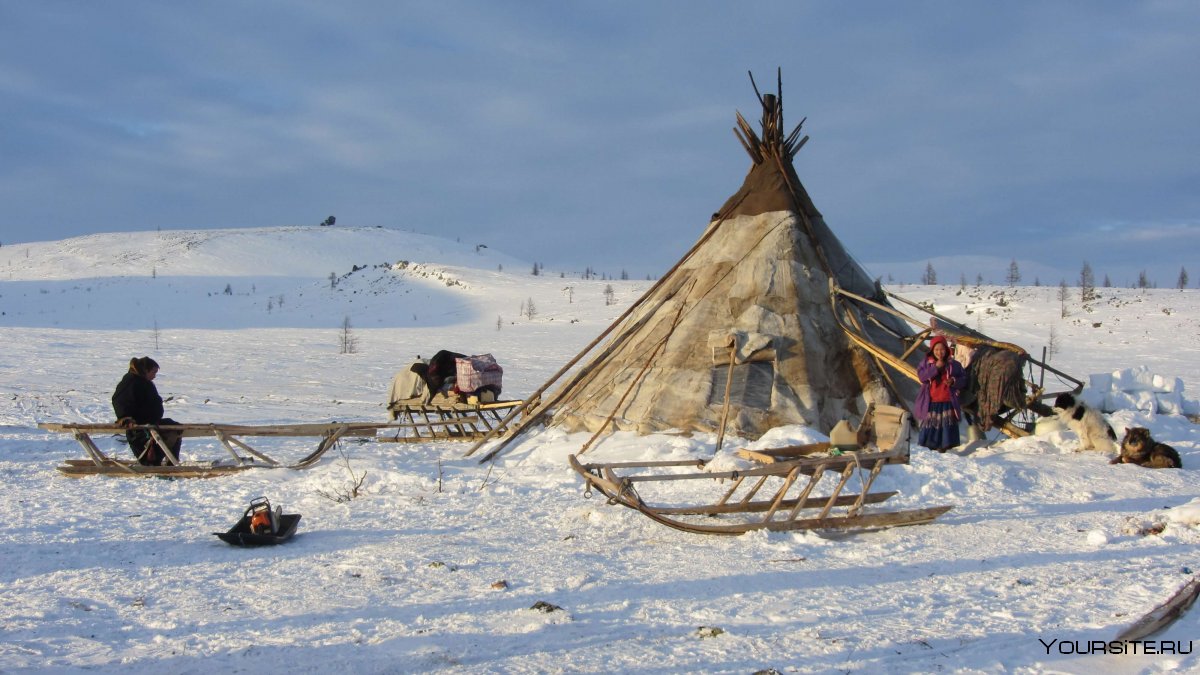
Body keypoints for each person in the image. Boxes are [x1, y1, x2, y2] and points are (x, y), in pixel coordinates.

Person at [112, 356, 182, 465]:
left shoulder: (144, 381)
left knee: (176, 428)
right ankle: (155, 462)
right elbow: (119, 400)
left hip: (151, 422)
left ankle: (172, 462)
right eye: (153, 372)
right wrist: (125, 417)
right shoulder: (130, 381)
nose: (154, 376)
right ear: (146, 370)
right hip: (139, 429)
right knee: (162, 436)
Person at [914, 335, 966, 452]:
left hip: (948, 400)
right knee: (931, 425)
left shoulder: (954, 364)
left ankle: (945, 446)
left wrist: (953, 381)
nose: (939, 352)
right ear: (932, 350)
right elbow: (922, 377)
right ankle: (930, 446)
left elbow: (963, 378)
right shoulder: (926, 363)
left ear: (946, 350)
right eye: (936, 349)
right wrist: (935, 368)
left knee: (946, 425)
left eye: (942, 349)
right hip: (931, 400)